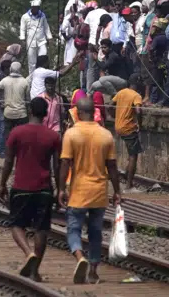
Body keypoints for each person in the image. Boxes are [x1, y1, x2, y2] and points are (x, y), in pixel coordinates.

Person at [57, 97, 121, 285]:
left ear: (77, 112)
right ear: (94, 112)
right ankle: (93, 271)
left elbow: (65, 163)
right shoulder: (105, 135)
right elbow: (112, 166)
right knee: (95, 232)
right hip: (100, 192)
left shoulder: (71, 134)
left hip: (79, 192)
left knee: (74, 228)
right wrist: (117, 191)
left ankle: (79, 257)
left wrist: (61, 189)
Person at [0, 97, 61, 281]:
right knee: (42, 229)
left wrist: (2, 184)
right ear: (46, 114)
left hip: (21, 186)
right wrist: (59, 188)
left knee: (17, 225)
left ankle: (28, 253)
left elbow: (8, 161)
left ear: (30, 111)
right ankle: (35, 271)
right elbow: (58, 166)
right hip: (44, 188)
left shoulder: (17, 132)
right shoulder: (53, 136)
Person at [112, 75, 144, 191]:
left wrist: (113, 116)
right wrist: (140, 123)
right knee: (133, 156)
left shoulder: (121, 92)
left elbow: (111, 104)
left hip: (118, 127)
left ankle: (126, 175)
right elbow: (138, 110)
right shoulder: (136, 96)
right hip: (129, 128)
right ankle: (129, 185)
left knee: (130, 155)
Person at [0, 61, 30, 159]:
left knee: (7, 135)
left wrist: (0, 102)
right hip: (22, 114)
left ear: (11, 69)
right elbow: (28, 99)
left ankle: (6, 154)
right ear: (20, 69)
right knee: (22, 136)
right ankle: (20, 154)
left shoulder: (5, 80)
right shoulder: (25, 81)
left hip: (8, 113)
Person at [19, 0, 52, 74]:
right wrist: (22, 39)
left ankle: (42, 75)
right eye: (34, 7)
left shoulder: (42, 15)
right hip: (31, 42)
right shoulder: (25, 16)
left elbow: (46, 27)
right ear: (32, 7)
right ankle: (31, 78)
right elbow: (22, 29)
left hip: (42, 40)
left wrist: (49, 37)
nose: (36, 9)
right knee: (32, 62)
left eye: (37, 8)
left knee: (43, 57)